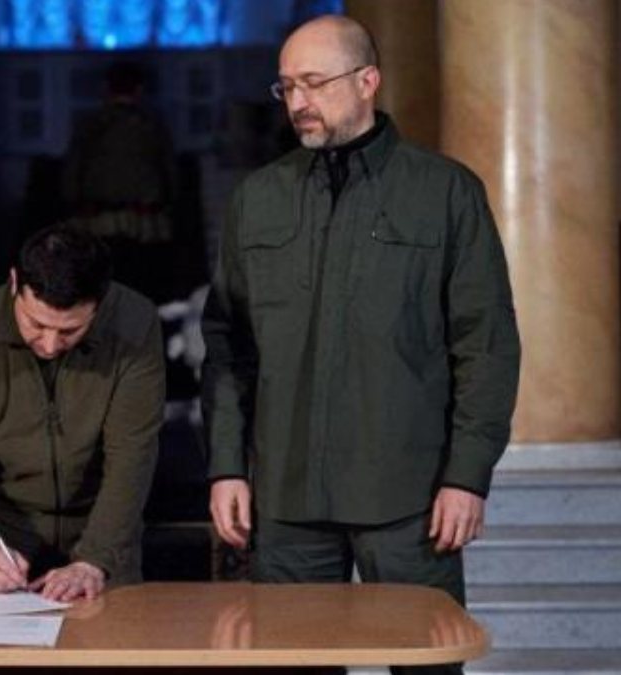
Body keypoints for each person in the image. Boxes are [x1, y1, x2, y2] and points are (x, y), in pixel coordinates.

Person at [201, 15, 520, 675]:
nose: (297, 102)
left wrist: (466, 476)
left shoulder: (445, 192)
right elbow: (228, 347)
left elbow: (485, 344)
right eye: (286, 87)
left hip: (408, 497)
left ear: (368, 81)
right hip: (285, 499)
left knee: (426, 668)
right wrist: (227, 464)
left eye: (314, 83)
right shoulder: (258, 199)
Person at [0, 225, 164, 602]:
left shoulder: (135, 323)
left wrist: (94, 559)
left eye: (70, 331)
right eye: (36, 324)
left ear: (99, 303)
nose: (50, 345)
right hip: (2, 539)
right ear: (14, 283)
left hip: (104, 535)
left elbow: (132, 455)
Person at [61, 61, 177, 303]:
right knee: (139, 282)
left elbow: (73, 170)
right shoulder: (151, 126)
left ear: (105, 88)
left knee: (103, 283)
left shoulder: (92, 125)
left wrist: (74, 202)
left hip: (101, 220)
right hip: (142, 221)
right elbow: (169, 171)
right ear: (139, 89)